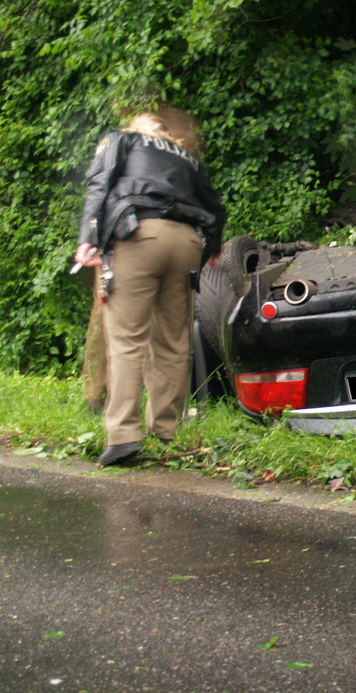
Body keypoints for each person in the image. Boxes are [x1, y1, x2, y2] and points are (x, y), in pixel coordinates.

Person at [73, 108, 227, 467]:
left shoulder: (120, 140)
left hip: (138, 234)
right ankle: (166, 429)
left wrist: (89, 239)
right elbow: (215, 208)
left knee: (127, 339)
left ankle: (124, 436)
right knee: (173, 341)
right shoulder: (188, 159)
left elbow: (100, 182)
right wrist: (213, 249)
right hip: (186, 242)